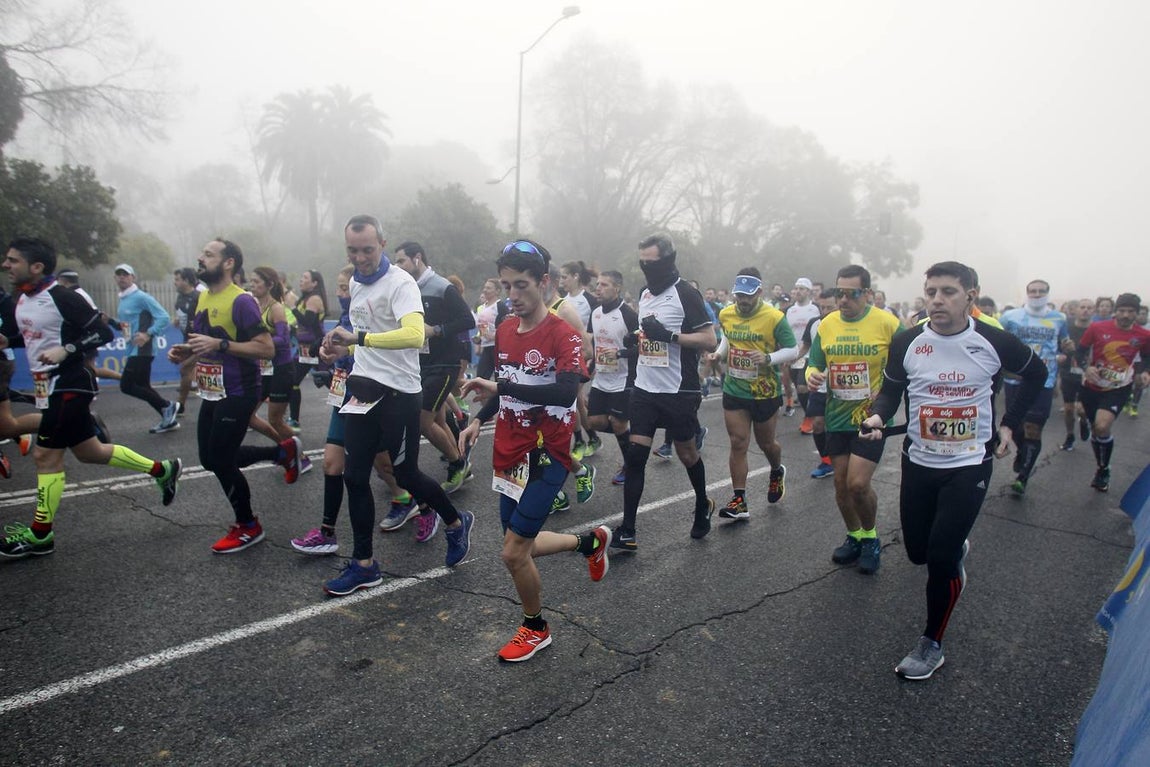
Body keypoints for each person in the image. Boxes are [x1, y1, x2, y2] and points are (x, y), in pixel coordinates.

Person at [860, 260, 1047, 680]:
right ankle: (952, 548)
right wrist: (877, 417)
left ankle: (931, 643)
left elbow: (1037, 374)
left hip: (969, 463)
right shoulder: (908, 341)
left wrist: (1008, 425)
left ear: (970, 296)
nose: (937, 300)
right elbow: (891, 391)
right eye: (931, 292)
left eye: (948, 292)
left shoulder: (994, 341)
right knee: (917, 553)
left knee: (940, 557)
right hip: (919, 459)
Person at [458, 239, 610, 662]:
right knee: (520, 544)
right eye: (506, 286)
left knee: (512, 552)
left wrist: (500, 386)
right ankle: (589, 543)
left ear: (543, 282)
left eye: (521, 285)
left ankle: (535, 628)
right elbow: (506, 388)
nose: (512, 295)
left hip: (548, 455)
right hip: (510, 453)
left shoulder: (564, 334)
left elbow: (564, 392)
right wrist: (478, 419)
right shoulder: (506, 329)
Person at [317, 216, 474, 595]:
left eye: (367, 250)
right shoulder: (356, 282)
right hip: (363, 392)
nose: (360, 258)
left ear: (383, 245)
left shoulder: (401, 283)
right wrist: (342, 349)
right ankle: (364, 564)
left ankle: (456, 522)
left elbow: (414, 334)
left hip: (400, 395)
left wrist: (359, 338)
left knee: (406, 474)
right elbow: (364, 338)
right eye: (353, 250)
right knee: (355, 477)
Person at [0, 237, 181, 560]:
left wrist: (67, 349)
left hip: (70, 383)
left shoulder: (62, 296)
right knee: (90, 452)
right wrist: (7, 339)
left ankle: (41, 535)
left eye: (13, 260)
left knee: (45, 455)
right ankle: (162, 470)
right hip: (48, 386)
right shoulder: (23, 298)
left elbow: (103, 332)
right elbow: (27, 335)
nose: (6, 265)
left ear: (37, 266)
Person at [167, 238, 302, 554]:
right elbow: (209, 341)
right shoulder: (204, 297)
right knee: (208, 458)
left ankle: (248, 525)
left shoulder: (241, 301)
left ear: (228, 263)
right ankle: (281, 453)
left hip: (240, 390)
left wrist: (221, 345)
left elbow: (266, 348)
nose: (201, 258)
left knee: (220, 459)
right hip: (213, 390)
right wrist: (187, 352)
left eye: (208, 254)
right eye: (202, 254)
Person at [291, 265, 418, 554]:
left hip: (371, 396)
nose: (341, 292)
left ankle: (419, 504)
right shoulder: (346, 315)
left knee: (388, 466)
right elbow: (343, 352)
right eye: (338, 287)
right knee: (332, 463)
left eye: (344, 287)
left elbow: (385, 345)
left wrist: (351, 348)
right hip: (344, 397)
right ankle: (327, 533)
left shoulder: (371, 311)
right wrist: (330, 357)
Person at [613, 233, 717, 550]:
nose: (647, 268)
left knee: (687, 454)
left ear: (668, 260)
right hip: (645, 388)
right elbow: (648, 333)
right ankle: (628, 530)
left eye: (652, 262)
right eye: (642, 262)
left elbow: (709, 340)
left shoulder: (686, 294)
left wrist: (670, 336)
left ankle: (702, 503)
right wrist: (636, 339)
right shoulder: (644, 293)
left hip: (678, 390)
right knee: (636, 457)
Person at [805, 264, 902, 574]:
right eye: (839, 293)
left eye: (851, 294)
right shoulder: (827, 324)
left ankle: (871, 538)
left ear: (868, 293)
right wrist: (812, 375)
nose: (843, 300)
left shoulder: (888, 324)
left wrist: (886, 391)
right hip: (837, 415)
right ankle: (855, 536)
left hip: (871, 418)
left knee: (858, 485)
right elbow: (813, 363)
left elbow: (907, 368)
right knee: (840, 485)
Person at [709, 268, 798, 519]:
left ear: (759, 292)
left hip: (764, 391)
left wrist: (768, 358)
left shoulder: (774, 317)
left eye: (748, 296)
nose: (743, 301)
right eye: (739, 295)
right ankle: (739, 500)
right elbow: (728, 338)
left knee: (766, 443)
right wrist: (719, 354)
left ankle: (776, 469)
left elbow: (792, 349)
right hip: (735, 387)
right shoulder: (726, 313)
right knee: (738, 442)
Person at [392, 242, 477, 494]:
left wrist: (437, 330)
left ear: (417, 258)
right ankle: (462, 462)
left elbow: (467, 320)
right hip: (421, 363)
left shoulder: (441, 286)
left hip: (444, 364)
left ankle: (457, 463)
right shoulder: (405, 289)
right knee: (438, 419)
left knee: (422, 421)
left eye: (401, 261)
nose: (397, 266)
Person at [998, 279, 1069, 495]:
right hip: (1015, 380)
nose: (1037, 295)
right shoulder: (1010, 317)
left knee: (1033, 429)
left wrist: (1064, 353)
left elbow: (1064, 343)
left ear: (1048, 293)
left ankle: (1023, 476)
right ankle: (1023, 452)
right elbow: (998, 343)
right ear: (1027, 293)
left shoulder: (1059, 318)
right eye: (1033, 291)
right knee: (1015, 426)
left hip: (1043, 381)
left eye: (1041, 291)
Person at [1074, 293, 1150, 492]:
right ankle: (1085, 422)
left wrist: (1145, 373)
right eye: (1122, 310)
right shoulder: (1097, 328)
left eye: (1130, 311)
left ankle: (1103, 469)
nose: (1125, 315)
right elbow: (1080, 352)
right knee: (1093, 424)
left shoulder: (1144, 335)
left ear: (1137, 313)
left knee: (1102, 426)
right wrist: (1086, 367)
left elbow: (1147, 358)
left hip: (1118, 388)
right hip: (1092, 384)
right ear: (1116, 311)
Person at [246, 266, 312, 479]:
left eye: (257, 282)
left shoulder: (276, 308)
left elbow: (283, 340)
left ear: (269, 285)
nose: (252, 285)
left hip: (281, 369)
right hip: (264, 370)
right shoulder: (255, 306)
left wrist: (257, 342)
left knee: (275, 419)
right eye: (251, 281)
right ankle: (288, 449)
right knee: (248, 416)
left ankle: (302, 457)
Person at [586, 270, 639, 487]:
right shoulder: (595, 313)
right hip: (602, 377)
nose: (598, 288)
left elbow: (643, 347)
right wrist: (590, 365)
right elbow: (595, 344)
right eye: (597, 284)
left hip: (623, 378)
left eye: (604, 285)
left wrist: (621, 353)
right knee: (594, 422)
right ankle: (631, 437)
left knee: (617, 423)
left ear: (617, 288)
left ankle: (630, 465)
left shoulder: (628, 315)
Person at [113, 263, 179, 433]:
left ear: (133, 277)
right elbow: (127, 325)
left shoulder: (141, 297)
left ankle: (167, 405)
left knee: (127, 386)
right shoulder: (123, 299)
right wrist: (111, 322)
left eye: (125, 274)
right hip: (133, 348)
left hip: (143, 349)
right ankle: (168, 419)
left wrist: (148, 334)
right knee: (143, 386)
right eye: (119, 274)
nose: (122, 277)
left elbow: (163, 317)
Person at [559, 260, 601, 460]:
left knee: (572, 399)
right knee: (576, 401)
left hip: (585, 357)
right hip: (565, 357)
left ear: (576, 276)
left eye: (564, 277)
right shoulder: (562, 301)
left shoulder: (589, 300)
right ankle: (590, 438)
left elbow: (597, 330)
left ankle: (581, 441)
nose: (561, 281)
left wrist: (592, 355)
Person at [288, 269, 328, 431]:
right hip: (303, 350)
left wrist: (292, 307)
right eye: (301, 277)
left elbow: (308, 322)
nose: (301, 280)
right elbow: (300, 324)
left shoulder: (315, 299)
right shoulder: (304, 299)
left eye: (305, 278)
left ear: (314, 283)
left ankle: (350, 412)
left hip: (317, 348)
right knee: (293, 381)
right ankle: (294, 420)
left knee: (331, 381)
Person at [806, 289, 838, 478]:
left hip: (846, 389)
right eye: (822, 307)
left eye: (829, 308)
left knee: (838, 427)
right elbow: (808, 349)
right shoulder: (814, 324)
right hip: (821, 384)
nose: (825, 312)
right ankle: (826, 461)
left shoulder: (850, 325)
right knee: (818, 424)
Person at [1057, 298, 1094, 450]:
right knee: (1068, 409)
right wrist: (1060, 353)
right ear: (1076, 310)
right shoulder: (1067, 328)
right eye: (1082, 307)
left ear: (1093, 311)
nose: (1085, 310)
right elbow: (1057, 345)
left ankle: (1084, 421)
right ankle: (1070, 435)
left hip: (1088, 375)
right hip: (1068, 373)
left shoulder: (1096, 329)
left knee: (1082, 409)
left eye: (1089, 308)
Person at [786, 277, 821, 434]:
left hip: (809, 354)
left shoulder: (815, 309)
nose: (798, 291)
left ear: (808, 291)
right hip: (793, 354)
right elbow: (786, 332)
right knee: (799, 388)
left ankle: (809, 417)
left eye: (802, 288)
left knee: (802, 387)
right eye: (796, 288)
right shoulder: (790, 310)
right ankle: (811, 413)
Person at [172, 267, 203, 416]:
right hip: (187, 339)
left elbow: (207, 316)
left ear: (186, 280)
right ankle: (181, 405)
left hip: (199, 340)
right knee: (186, 371)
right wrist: (178, 319)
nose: (175, 282)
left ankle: (180, 404)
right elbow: (183, 313)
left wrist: (198, 323)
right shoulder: (180, 297)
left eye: (178, 279)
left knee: (185, 369)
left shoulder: (199, 296)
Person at [473, 277, 509, 380]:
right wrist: (479, 338)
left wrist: (494, 336)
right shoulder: (482, 307)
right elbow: (482, 326)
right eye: (485, 287)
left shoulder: (500, 306)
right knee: (480, 377)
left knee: (500, 378)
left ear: (497, 291)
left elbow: (507, 327)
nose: (485, 290)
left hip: (498, 348)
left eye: (489, 288)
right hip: (486, 347)